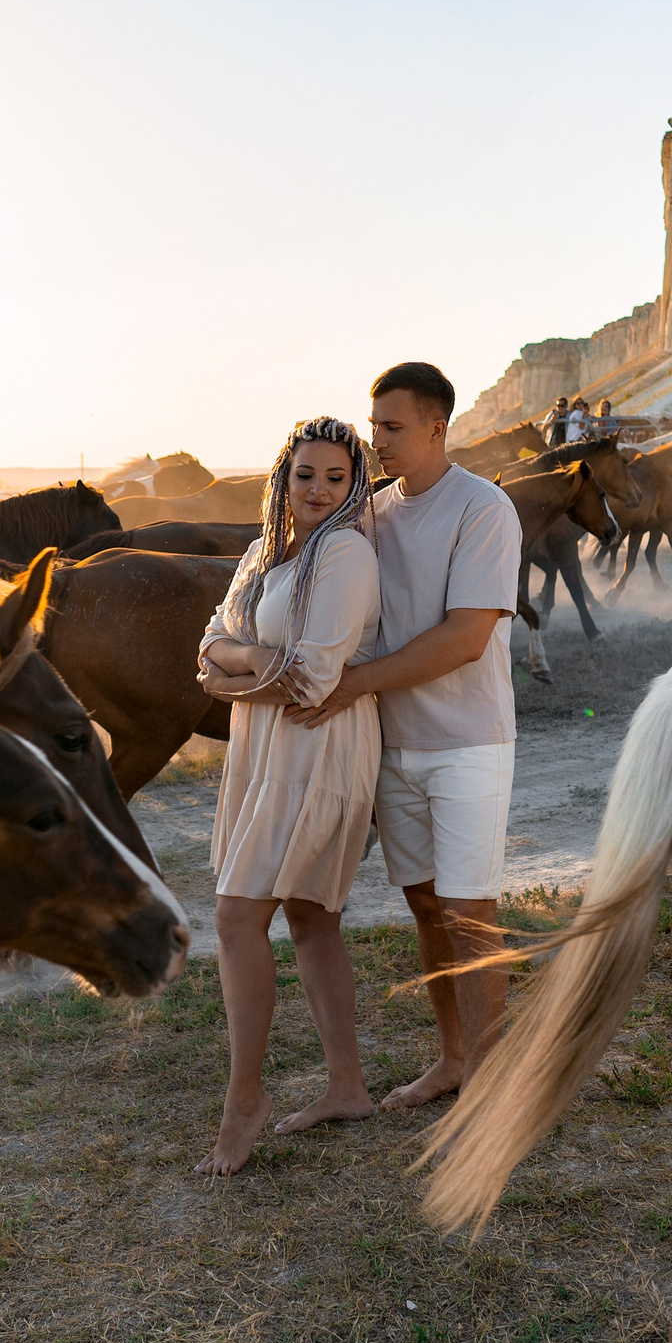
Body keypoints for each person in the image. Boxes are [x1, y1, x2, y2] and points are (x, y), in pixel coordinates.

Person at [288, 361, 523, 1110]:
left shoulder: (482, 508)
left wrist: (355, 683)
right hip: (394, 746)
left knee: (470, 911)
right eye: (374, 425)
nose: (377, 440)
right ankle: (454, 1059)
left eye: (392, 427)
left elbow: (466, 637)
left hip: (469, 742)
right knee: (425, 906)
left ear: (436, 426)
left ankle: (492, 1083)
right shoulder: (373, 515)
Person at [193, 415, 384, 1175]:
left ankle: (246, 1100)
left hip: (321, 750)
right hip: (267, 747)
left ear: (354, 485)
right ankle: (348, 1085)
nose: (319, 489)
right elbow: (211, 637)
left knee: (237, 917)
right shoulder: (265, 551)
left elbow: (313, 679)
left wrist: (230, 678)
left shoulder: (346, 553)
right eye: (307, 474)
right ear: (285, 475)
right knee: (310, 917)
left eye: (337, 478)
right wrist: (244, 660)